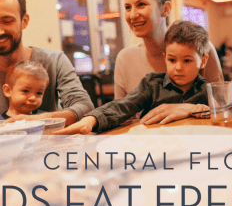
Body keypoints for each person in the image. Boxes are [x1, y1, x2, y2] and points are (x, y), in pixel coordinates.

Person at [54, 20, 210, 134]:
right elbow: (123, 106)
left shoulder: (207, 89)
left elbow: (226, 111)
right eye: (172, 60)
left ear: (203, 61)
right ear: (165, 58)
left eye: (187, 60)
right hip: (155, 148)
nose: (178, 67)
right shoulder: (152, 84)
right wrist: (92, 119)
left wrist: (202, 110)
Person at [114, 0, 223, 124]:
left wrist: (187, 109)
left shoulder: (202, 49)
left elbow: (224, 108)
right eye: (127, 7)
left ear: (165, 9)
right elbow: (121, 116)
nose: (132, 15)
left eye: (141, 5)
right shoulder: (124, 58)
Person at [0, 0, 94, 126]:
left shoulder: (54, 61)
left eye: (7, 21)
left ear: (24, 21)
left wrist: (37, 121)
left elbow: (85, 107)